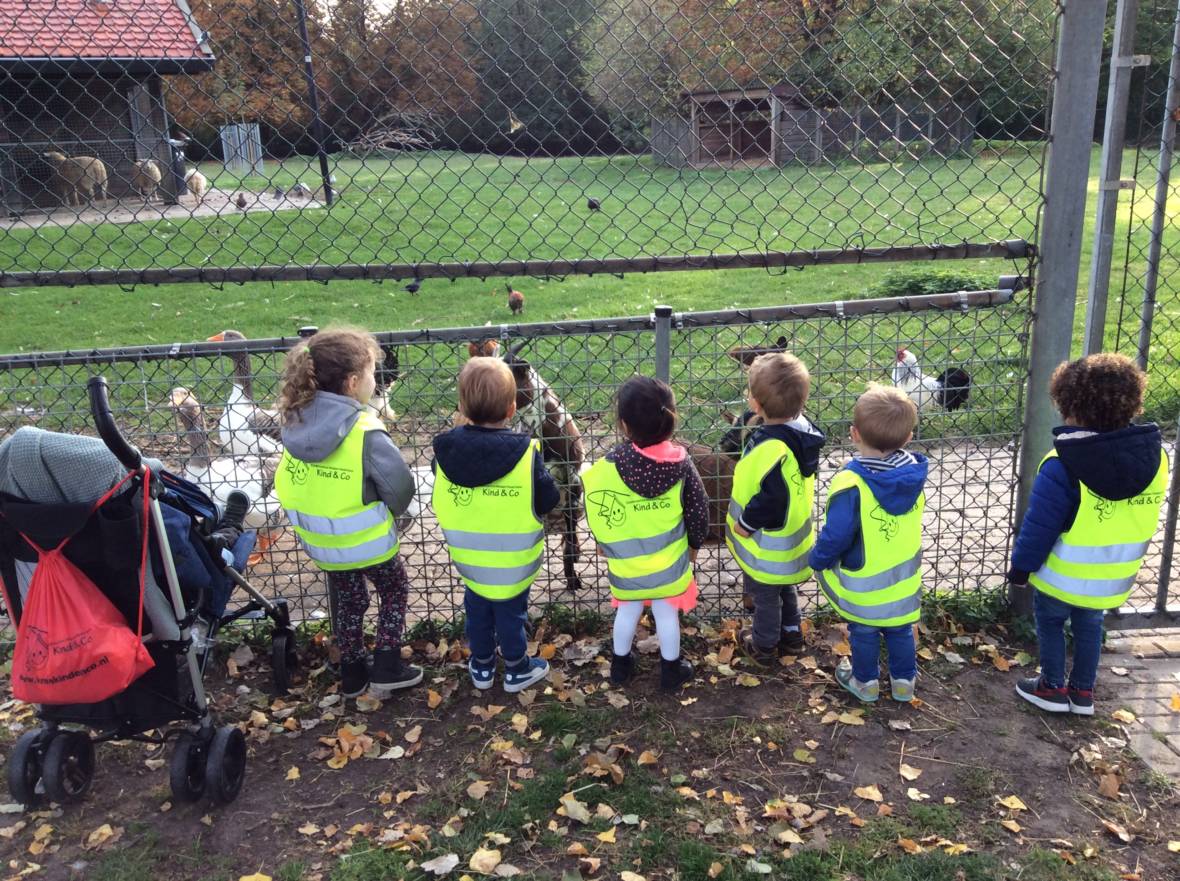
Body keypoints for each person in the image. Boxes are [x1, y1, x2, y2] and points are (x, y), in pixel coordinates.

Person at [1010, 353, 1167, 716]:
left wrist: (1021, 567)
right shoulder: (1157, 458)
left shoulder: (1061, 464)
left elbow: (1041, 526)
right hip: (1111, 578)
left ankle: (1052, 686)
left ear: (1069, 407)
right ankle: (1083, 692)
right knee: (1090, 626)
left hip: (1061, 576)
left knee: (1050, 622)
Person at [273, 327, 422, 699]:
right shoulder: (364, 430)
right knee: (393, 589)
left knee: (351, 600)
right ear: (354, 383)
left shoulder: (294, 423)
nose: (375, 380)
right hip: (369, 542)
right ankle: (387, 664)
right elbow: (399, 489)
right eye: (372, 373)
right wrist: (395, 512)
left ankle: (353, 672)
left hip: (322, 544)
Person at [432, 356, 560, 693]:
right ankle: (516, 667)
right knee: (510, 613)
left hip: (470, 560)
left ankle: (482, 665)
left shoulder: (444, 453)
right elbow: (548, 498)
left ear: (462, 406)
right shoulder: (526, 454)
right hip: (513, 560)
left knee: (476, 609)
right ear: (512, 408)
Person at [582, 376, 708, 692]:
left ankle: (620, 666)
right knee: (667, 614)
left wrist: (601, 541)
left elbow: (595, 504)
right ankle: (671, 670)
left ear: (624, 425)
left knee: (627, 610)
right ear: (671, 419)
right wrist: (694, 543)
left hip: (627, 565)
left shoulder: (606, 468)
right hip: (669, 565)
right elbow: (698, 508)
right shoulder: (682, 463)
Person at [809, 385, 927, 703]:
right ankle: (904, 683)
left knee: (864, 632)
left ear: (854, 434)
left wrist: (818, 559)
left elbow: (836, 534)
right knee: (901, 630)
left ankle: (865, 682)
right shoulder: (914, 478)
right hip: (904, 585)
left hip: (864, 587)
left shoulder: (851, 483)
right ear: (908, 438)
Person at [726, 352, 825, 662]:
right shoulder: (803, 434)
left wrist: (746, 523)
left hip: (769, 540)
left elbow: (772, 497)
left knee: (766, 595)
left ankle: (764, 646)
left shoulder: (770, 447)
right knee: (784, 587)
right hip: (792, 537)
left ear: (755, 405)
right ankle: (792, 636)